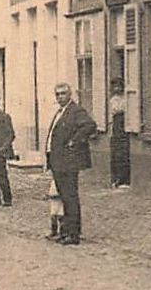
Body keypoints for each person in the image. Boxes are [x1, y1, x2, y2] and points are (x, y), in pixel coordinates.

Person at [45, 82, 98, 244]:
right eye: (57, 94)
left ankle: (73, 234)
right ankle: (65, 231)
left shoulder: (76, 111)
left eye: (63, 94)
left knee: (70, 197)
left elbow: (90, 125)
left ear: (70, 95)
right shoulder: (60, 112)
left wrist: (74, 141)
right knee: (63, 197)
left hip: (68, 162)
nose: (60, 97)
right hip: (58, 161)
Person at [108, 77, 131, 188]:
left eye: (119, 86)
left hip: (124, 127)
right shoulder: (113, 100)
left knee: (123, 154)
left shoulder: (127, 99)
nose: (117, 88)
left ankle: (123, 179)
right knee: (115, 155)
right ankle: (115, 179)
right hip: (115, 128)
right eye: (114, 86)